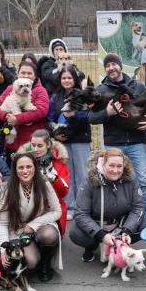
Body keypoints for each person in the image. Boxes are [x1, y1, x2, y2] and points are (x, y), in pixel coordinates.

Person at [88, 53, 146, 222]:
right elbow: (91, 117)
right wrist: (107, 113)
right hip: (112, 144)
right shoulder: (101, 91)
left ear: (120, 65)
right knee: (112, 182)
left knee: (144, 181)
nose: (111, 68)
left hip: (137, 142)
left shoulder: (137, 87)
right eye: (108, 65)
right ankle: (115, 220)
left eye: (114, 64)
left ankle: (145, 221)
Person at [0, 152, 62, 282]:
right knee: (31, 262)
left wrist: (33, 225)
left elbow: (56, 211)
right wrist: (3, 250)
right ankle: (35, 255)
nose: (25, 171)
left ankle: (46, 264)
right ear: (14, 170)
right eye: (20, 168)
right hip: (17, 230)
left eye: (29, 166)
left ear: (34, 168)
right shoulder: (6, 187)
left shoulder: (44, 183)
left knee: (48, 235)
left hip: (41, 225)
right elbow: (2, 222)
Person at [70, 148, 145, 262]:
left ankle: (121, 242)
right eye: (111, 165)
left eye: (119, 166)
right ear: (102, 164)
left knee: (144, 225)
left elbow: (138, 207)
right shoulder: (90, 180)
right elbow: (80, 213)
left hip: (120, 223)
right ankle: (91, 246)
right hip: (97, 224)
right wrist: (101, 235)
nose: (115, 170)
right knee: (76, 233)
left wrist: (127, 230)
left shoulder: (131, 179)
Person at [47, 64, 92, 220]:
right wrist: (55, 134)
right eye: (63, 78)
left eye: (69, 77)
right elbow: (49, 119)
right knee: (67, 175)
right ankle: (70, 206)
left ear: (75, 79)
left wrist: (74, 114)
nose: (66, 80)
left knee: (82, 174)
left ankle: (84, 207)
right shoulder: (55, 97)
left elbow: (88, 117)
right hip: (63, 141)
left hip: (80, 139)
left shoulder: (82, 95)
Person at [0, 60, 50, 161]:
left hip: (32, 143)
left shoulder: (40, 90)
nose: (26, 75)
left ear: (35, 76)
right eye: (23, 72)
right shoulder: (10, 89)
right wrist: (6, 116)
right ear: (18, 74)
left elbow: (41, 111)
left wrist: (18, 119)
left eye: (29, 73)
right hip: (12, 143)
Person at [17, 129, 70, 235]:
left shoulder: (60, 163)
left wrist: (54, 179)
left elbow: (63, 193)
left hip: (51, 210)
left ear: (48, 145)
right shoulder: (22, 162)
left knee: (47, 238)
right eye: (33, 145)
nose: (35, 149)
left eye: (40, 146)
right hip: (27, 210)